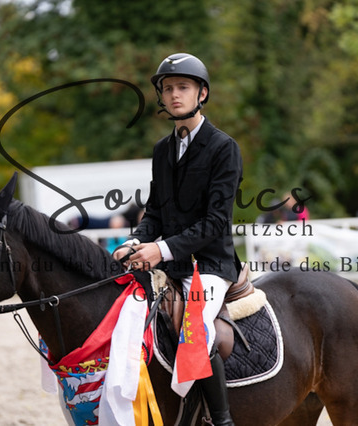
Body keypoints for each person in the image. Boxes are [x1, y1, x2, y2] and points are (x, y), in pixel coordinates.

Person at [113, 52, 242, 426]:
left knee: (196, 330)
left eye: (182, 87)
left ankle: (221, 420)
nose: (174, 95)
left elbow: (215, 222)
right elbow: (155, 212)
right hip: (171, 264)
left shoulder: (223, 148)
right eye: (168, 88)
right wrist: (134, 242)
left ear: (202, 93)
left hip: (211, 267)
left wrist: (161, 249)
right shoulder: (162, 150)